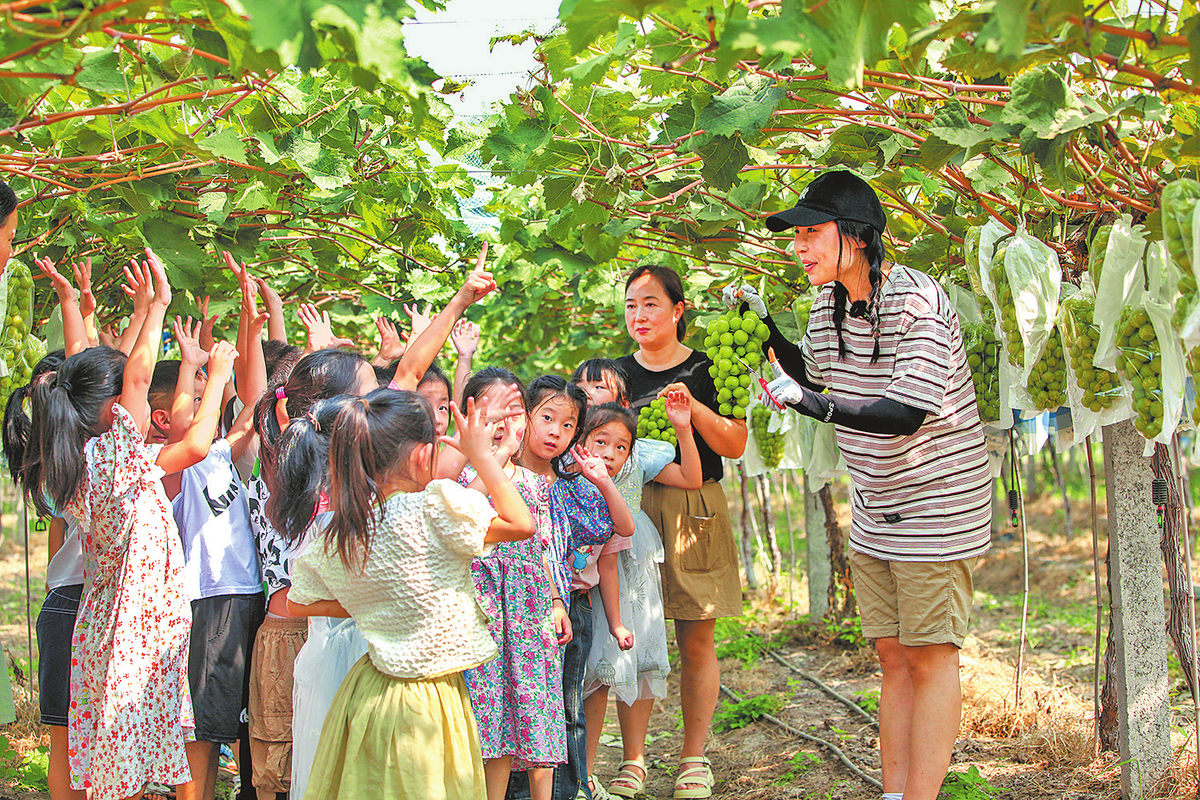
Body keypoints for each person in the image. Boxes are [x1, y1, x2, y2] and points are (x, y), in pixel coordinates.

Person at [741, 169, 991, 800]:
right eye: (795, 235)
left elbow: (905, 412)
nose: (798, 247)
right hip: (876, 505)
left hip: (939, 505)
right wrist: (765, 327)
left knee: (931, 655)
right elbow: (816, 370)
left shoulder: (919, 304)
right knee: (890, 655)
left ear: (855, 236)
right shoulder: (827, 308)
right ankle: (894, 791)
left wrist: (813, 405)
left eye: (811, 233)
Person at [24, 250, 236, 800]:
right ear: (115, 407)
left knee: (115, 751)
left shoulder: (79, 456)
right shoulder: (118, 455)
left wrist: (126, 313)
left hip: (113, 619)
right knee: (128, 749)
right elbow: (143, 386)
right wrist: (166, 315)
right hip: (137, 626)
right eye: (126, 396)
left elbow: (85, 370)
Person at [287, 389, 536, 800]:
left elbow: (298, 602)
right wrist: (485, 456)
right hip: (429, 699)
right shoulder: (436, 508)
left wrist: (377, 601)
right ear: (423, 456)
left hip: (369, 693)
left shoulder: (344, 531)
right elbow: (521, 523)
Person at [616, 265, 747, 800]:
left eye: (650, 303)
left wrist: (692, 409)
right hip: (627, 504)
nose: (639, 315)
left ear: (677, 310)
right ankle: (633, 762)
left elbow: (735, 444)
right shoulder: (614, 375)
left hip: (696, 502)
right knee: (632, 635)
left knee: (696, 635)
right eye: (630, 305)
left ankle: (694, 758)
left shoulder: (708, 368)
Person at [570, 397, 702, 800]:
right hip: (568, 590)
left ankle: (612, 768)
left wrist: (683, 426)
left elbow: (613, 549)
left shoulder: (630, 470)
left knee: (610, 669)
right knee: (580, 678)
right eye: (600, 440)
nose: (609, 452)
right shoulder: (560, 472)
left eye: (620, 445)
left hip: (619, 575)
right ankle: (576, 776)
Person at [510, 376, 630, 800]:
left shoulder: (570, 483)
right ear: (523, 415)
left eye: (567, 426)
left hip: (562, 613)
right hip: (504, 610)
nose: (555, 433)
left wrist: (599, 480)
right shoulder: (497, 472)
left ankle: (568, 790)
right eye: (546, 418)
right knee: (508, 708)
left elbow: (618, 526)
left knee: (562, 707)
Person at [457, 368, 567, 800]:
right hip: (480, 613)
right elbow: (468, 503)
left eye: (516, 411)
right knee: (490, 726)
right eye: (495, 411)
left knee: (539, 718)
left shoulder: (537, 483)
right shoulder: (459, 476)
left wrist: (556, 599)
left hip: (530, 609)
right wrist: (496, 454)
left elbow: (543, 548)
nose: (507, 422)